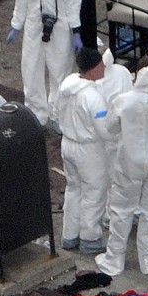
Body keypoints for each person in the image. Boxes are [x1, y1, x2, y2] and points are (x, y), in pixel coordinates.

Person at [96, 58, 148, 276]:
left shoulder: (123, 101)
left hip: (128, 164)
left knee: (121, 210)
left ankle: (114, 259)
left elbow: (111, 127)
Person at [6, 0, 82, 132]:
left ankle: (57, 114)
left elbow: (74, 4)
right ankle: (36, 115)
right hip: (34, 26)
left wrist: (76, 31)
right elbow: (21, 2)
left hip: (60, 27)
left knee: (59, 72)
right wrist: (16, 26)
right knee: (31, 69)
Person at [54, 47, 112, 254]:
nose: (104, 67)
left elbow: (55, 111)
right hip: (88, 149)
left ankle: (69, 236)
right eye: (101, 64)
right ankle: (90, 238)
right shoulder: (93, 97)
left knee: (74, 189)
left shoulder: (66, 87)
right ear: (92, 70)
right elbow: (105, 130)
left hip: (67, 144)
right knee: (94, 193)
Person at [97, 48, 133, 227]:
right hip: (125, 132)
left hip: (108, 133)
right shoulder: (122, 72)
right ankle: (128, 210)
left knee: (109, 177)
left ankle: (110, 214)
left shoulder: (98, 82)